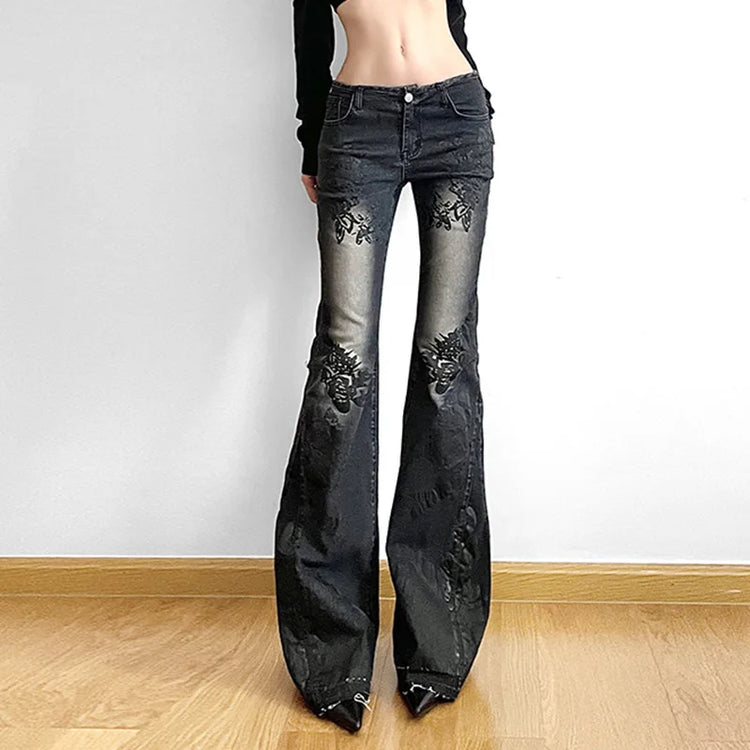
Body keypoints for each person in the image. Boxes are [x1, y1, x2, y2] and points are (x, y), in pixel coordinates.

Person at [274, 0, 494, 733]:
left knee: (445, 362)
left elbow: (452, 16)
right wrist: (312, 139)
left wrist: (476, 98)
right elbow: (311, 38)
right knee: (342, 369)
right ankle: (331, 654)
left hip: (455, 118)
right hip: (357, 125)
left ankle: (437, 645)